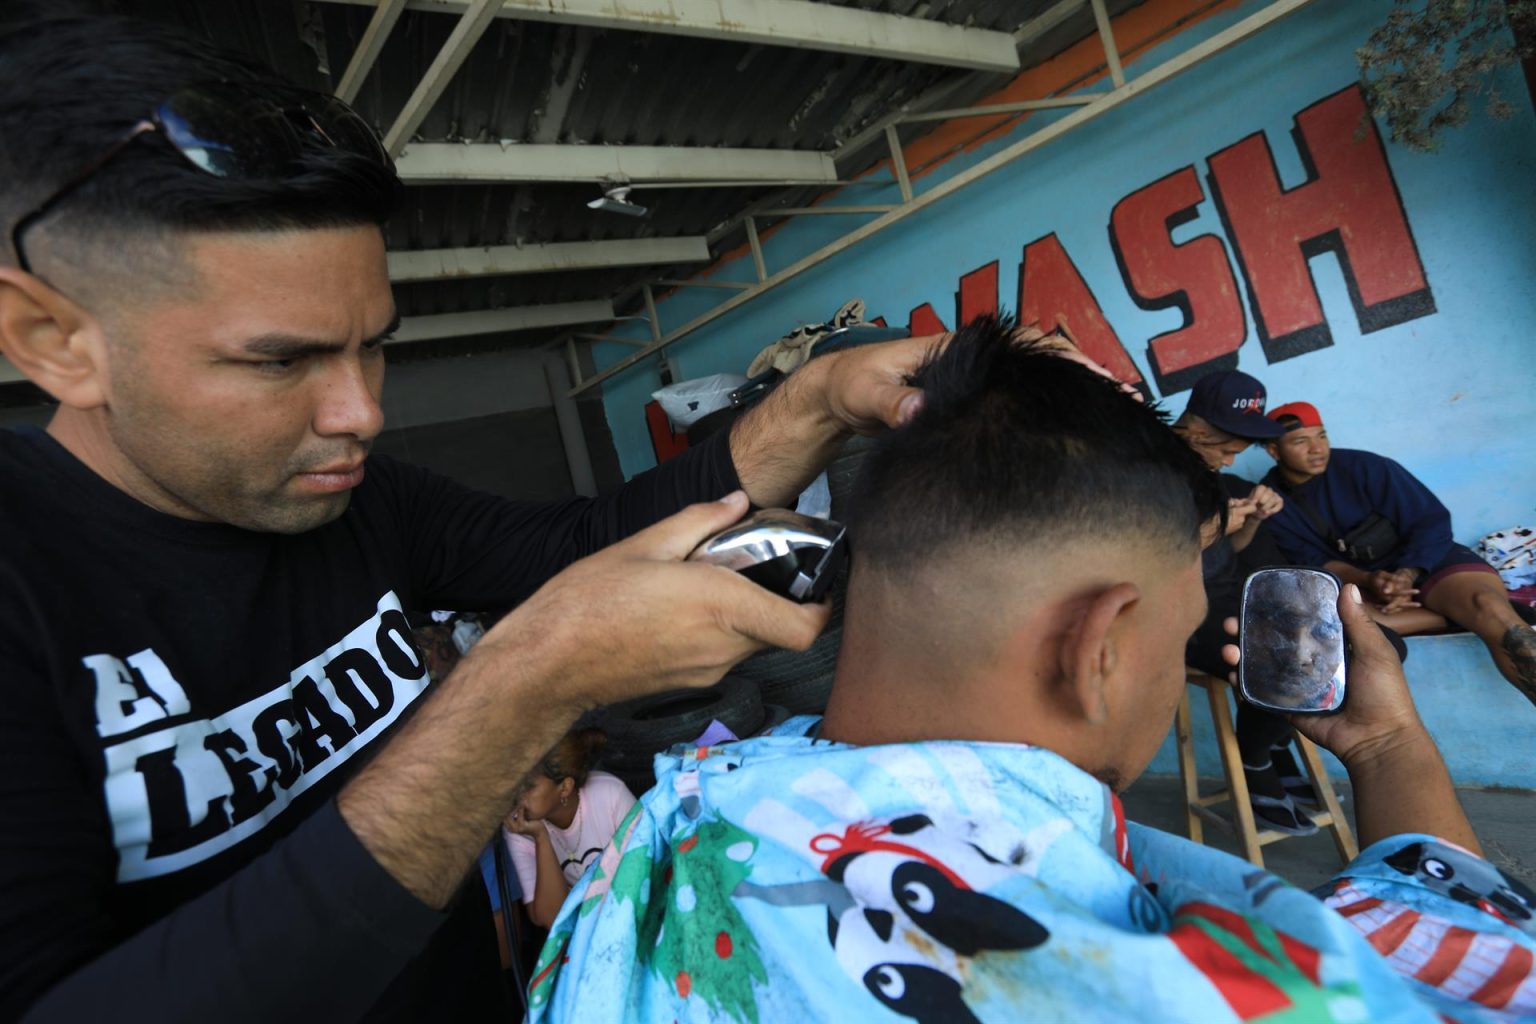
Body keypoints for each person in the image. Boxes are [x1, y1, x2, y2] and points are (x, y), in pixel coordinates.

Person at [0, 13, 962, 1020]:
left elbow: (577, 543)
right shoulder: (27, 586)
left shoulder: (360, 501)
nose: (361, 412)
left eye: (371, 346)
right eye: (281, 360)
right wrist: (524, 683)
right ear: (55, 339)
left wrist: (816, 398)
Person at [527, 317, 1535, 1024]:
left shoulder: (692, 821)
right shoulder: (1148, 980)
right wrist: (1392, 744)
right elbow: (1451, 969)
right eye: (1181, 624)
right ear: (1099, 648)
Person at [1260, 401, 1536, 706]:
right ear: (1274, 450)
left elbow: (1430, 521)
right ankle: (1448, 616)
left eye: (1322, 436)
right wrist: (1372, 580)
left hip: (1429, 562)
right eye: (1301, 441)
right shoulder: (1273, 501)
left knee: (1493, 612)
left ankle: (1459, 610)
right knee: (1339, 627)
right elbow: (1313, 563)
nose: (1317, 448)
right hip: (1365, 587)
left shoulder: (1366, 467)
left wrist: (1406, 574)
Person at [1171, 370, 1319, 834]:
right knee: (1280, 656)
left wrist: (1250, 519)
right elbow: (1136, 562)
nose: (1233, 461)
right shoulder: (1146, 473)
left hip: (1231, 598)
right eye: (1229, 449)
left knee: (1342, 643)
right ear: (1197, 433)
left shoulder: (1210, 473)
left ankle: (1272, 736)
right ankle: (1256, 760)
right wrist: (1211, 530)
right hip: (1184, 614)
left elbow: (1224, 552)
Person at [503, 729, 636, 929]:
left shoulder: (610, 795)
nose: (518, 794)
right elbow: (551, 920)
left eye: (528, 786)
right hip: (581, 935)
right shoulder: (521, 829)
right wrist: (541, 838)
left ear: (565, 788)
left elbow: (645, 874)